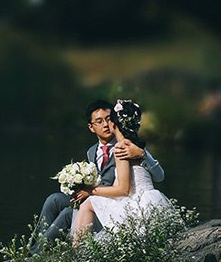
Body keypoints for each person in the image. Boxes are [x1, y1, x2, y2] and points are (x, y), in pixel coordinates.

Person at [33, 99, 164, 249]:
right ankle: (34, 248)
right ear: (91, 127)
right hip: (99, 197)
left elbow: (126, 187)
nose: (106, 125)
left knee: (68, 213)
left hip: (115, 200)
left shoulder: (126, 147)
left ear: (115, 121)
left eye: (108, 119)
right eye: (99, 121)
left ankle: (39, 253)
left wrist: (142, 154)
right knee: (54, 200)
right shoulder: (91, 151)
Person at [71, 99, 172, 246]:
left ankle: (77, 249)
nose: (106, 124)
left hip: (135, 205)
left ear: (114, 124)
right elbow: (159, 177)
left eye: (109, 120)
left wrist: (91, 191)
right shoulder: (134, 144)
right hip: (152, 201)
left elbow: (123, 190)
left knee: (89, 203)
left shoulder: (120, 148)